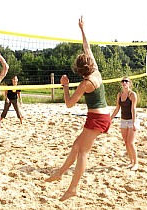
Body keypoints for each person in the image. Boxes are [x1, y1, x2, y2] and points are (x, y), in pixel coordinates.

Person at [45, 16, 111, 201]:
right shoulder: (96, 70)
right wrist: (82, 29)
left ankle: (73, 188)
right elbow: (87, 47)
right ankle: (60, 173)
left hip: (97, 120)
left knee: (83, 152)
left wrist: (65, 85)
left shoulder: (85, 83)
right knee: (76, 145)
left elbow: (69, 103)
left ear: (80, 70)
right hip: (101, 116)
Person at [110, 77, 139, 171]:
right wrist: (110, 119)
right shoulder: (119, 94)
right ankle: (131, 161)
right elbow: (117, 108)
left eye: (126, 81)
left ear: (130, 83)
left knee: (131, 142)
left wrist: (134, 123)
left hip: (132, 119)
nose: (124, 83)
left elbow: (133, 109)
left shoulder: (132, 94)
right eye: (123, 81)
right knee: (126, 142)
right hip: (123, 120)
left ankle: (136, 163)